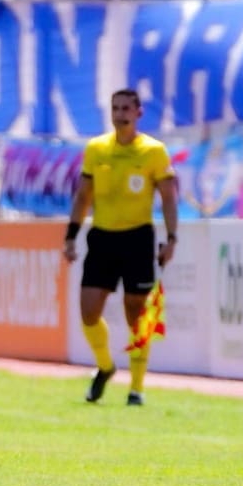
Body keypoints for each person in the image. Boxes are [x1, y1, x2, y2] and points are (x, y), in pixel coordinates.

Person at [63, 88, 178, 407]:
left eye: (127, 108)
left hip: (138, 239)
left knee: (136, 313)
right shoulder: (96, 148)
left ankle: (137, 389)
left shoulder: (154, 151)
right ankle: (105, 366)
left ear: (139, 112)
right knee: (88, 312)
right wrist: (71, 236)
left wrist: (171, 239)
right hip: (101, 238)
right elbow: (83, 196)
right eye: (115, 108)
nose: (120, 113)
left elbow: (169, 198)